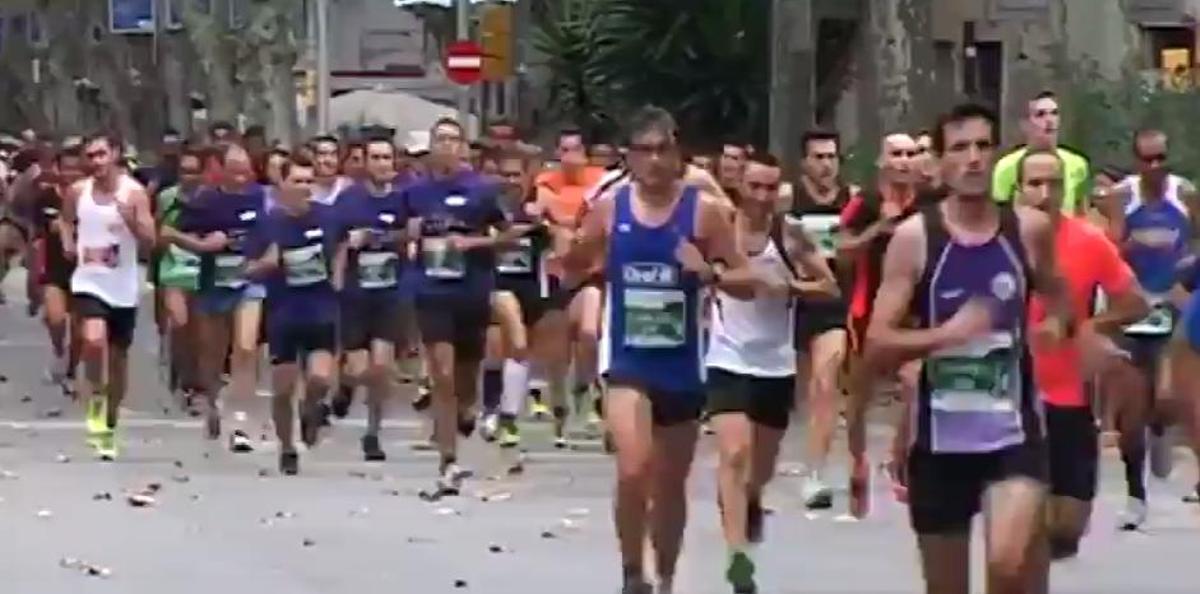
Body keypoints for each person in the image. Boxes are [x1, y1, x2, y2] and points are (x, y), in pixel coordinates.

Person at [867, 102, 1073, 594]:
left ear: (997, 154)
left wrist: (1056, 325)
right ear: (939, 162)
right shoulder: (916, 238)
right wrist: (946, 336)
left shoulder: (1028, 229)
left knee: (1007, 563)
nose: (974, 158)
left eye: (983, 146)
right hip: (940, 444)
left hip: (1013, 437)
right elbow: (876, 345)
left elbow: (1060, 296)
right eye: (960, 148)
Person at [564, 106, 757, 594]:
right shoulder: (611, 209)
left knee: (670, 484)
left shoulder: (703, 211)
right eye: (644, 151)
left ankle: (666, 578)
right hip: (628, 361)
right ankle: (633, 572)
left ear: (678, 154)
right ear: (628, 157)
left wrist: (708, 272)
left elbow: (747, 281)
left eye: (663, 149)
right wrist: (574, 257)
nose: (654, 160)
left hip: (682, 364)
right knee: (633, 468)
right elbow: (573, 263)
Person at [707, 151, 839, 593]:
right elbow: (699, 270)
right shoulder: (720, 229)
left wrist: (790, 287)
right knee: (733, 454)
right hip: (726, 356)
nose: (762, 196)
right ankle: (738, 559)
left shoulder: (790, 234)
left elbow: (829, 286)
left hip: (775, 364)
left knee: (759, 469)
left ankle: (752, 500)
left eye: (770, 188)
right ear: (739, 186)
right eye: (754, 187)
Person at [1015, 148, 1148, 561]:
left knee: (1067, 529)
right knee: (1023, 527)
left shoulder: (1088, 241)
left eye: (1053, 183)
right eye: (1034, 183)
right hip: (1012, 398)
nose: (1044, 193)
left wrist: (1093, 327)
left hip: (1070, 396)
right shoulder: (999, 242)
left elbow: (1136, 302)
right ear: (1018, 190)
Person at [407, 117, 519, 495]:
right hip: (431, 292)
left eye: (453, 140)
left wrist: (474, 243)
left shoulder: (482, 190)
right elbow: (400, 233)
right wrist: (408, 237)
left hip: (471, 291)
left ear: (463, 147)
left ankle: (468, 410)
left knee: (465, 382)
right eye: (440, 139)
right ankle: (448, 460)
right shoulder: (416, 192)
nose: (446, 146)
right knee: (442, 374)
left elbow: (510, 236)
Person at [1092, 128, 1198, 529]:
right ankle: (1135, 495)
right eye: (1147, 160)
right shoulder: (1123, 196)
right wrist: (1127, 247)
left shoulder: (1184, 193)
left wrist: (1184, 279)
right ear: (1136, 162)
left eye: (1161, 158)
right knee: (1130, 412)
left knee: (1169, 397)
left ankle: (1162, 425)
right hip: (1132, 310)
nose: (1155, 167)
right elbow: (1109, 249)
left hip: (1170, 307)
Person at [837, 131, 931, 515]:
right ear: (882, 161)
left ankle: (900, 457)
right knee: (859, 398)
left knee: (915, 384)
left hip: (914, 311)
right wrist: (877, 229)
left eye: (910, 154)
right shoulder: (865, 202)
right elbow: (840, 249)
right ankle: (858, 460)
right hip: (869, 310)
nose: (904, 161)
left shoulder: (929, 203)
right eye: (897, 154)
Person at [60, 132, 156, 460]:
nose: (96, 162)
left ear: (115, 154)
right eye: (90, 156)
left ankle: (111, 416)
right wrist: (68, 242)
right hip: (89, 281)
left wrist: (131, 221)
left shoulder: (134, 193)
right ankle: (96, 402)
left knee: (118, 361)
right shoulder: (78, 191)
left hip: (123, 287)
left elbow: (150, 240)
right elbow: (65, 220)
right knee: (93, 340)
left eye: (101, 154)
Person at [244, 153, 341, 475]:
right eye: (297, 181)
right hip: (283, 313)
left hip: (322, 309)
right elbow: (247, 268)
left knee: (320, 378)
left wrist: (339, 274)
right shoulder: (268, 222)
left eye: (309, 181)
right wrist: (266, 264)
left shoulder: (328, 217)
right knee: (283, 388)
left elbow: (345, 245)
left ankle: (311, 409)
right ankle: (287, 446)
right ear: (281, 184)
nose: (304, 187)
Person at [173, 144, 268, 450]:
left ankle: (239, 420)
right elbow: (168, 232)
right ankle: (213, 404)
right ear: (221, 170)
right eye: (235, 170)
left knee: (245, 347)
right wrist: (202, 245)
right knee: (212, 354)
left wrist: (264, 259)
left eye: (246, 169)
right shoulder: (206, 201)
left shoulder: (261, 197)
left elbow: (276, 231)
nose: (242, 176)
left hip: (249, 283)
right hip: (214, 284)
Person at [788, 128, 856, 509]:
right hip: (791, 300)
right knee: (796, 393)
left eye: (832, 157)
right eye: (818, 157)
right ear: (804, 162)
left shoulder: (852, 200)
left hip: (833, 304)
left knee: (824, 384)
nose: (826, 165)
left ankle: (815, 474)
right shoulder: (787, 198)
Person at [331, 138, 410, 461]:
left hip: (389, 293)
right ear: (364, 162)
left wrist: (378, 236)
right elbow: (336, 242)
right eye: (375, 157)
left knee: (382, 367)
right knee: (359, 369)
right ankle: (345, 385)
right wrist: (336, 280)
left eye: (386, 157)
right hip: (355, 293)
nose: (381, 163)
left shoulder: (403, 198)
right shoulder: (349, 199)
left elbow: (413, 233)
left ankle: (373, 433)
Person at [155, 145, 207, 411]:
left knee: (198, 334)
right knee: (179, 323)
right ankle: (182, 378)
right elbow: (156, 232)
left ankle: (195, 385)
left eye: (195, 171)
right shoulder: (166, 198)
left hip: (203, 272)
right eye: (185, 171)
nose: (190, 177)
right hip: (173, 271)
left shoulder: (211, 198)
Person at [33, 146, 86, 390]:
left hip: (84, 270)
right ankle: (58, 350)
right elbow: (40, 233)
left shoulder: (91, 198)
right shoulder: (46, 197)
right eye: (66, 168)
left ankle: (72, 368)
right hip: (54, 268)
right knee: (55, 318)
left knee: (79, 329)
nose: (71, 174)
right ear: (57, 169)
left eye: (76, 169)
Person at [992, 91, 1090, 214]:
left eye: (1054, 113)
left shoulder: (1078, 164)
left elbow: (1081, 211)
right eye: (1040, 114)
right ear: (1025, 124)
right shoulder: (1006, 166)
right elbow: (999, 213)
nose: (1049, 120)